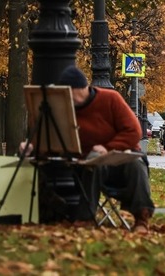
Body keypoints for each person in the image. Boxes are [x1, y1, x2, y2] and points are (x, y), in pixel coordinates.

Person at [57, 65, 155, 233]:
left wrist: (108, 148)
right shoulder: (66, 109)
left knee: (136, 164)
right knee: (92, 165)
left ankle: (141, 218)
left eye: (68, 92)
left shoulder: (111, 99)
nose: (67, 98)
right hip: (91, 163)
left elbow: (134, 131)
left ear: (79, 89)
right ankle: (85, 217)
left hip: (122, 157)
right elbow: (55, 135)